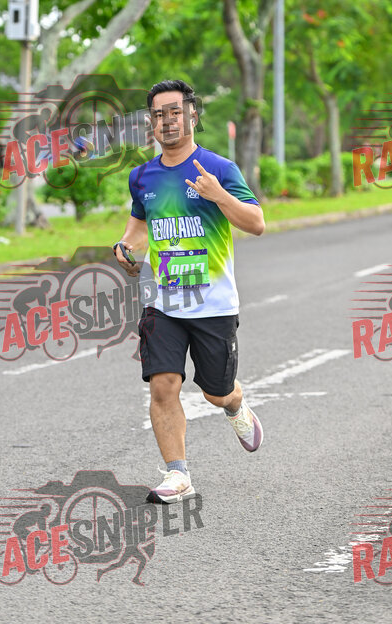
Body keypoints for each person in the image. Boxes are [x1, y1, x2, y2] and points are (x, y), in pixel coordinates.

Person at [113, 79, 265, 504]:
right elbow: (139, 225)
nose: (167, 121)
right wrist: (126, 247)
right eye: (159, 115)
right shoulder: (142, 176)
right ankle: (177, 474)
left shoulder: (219, 169)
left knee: (216, 391)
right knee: (163, 385)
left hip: (213, 303)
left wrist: (218, 196)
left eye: (175, 112)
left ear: (192, 116)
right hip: (162, 301)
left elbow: (256, 223)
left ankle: (234, 403)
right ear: (151, 123)